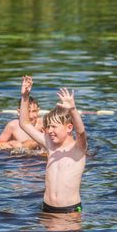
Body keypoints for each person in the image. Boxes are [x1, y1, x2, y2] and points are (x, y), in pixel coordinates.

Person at [18, 76, 87, 213]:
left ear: (69, 128)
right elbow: (24, 124)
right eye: (48, 126)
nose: (49, 131)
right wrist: (25, 96)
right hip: (47, 208)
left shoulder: (78, 148)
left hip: (70, 210)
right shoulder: (50, 145)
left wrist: (73, 110)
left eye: (54, 127)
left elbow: (81, 132)